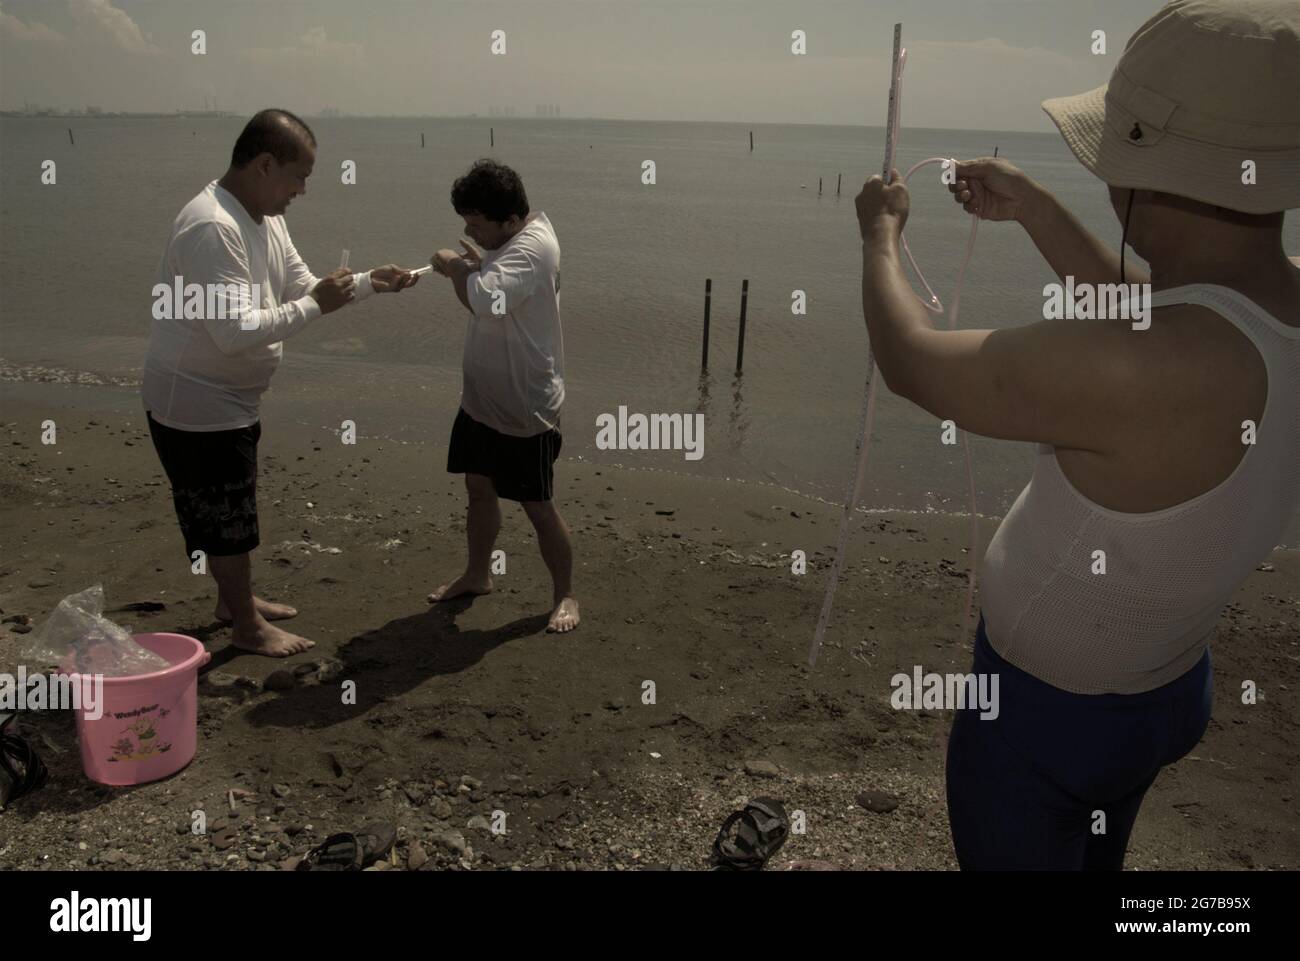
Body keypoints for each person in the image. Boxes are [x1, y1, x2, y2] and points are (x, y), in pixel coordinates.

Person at [853, 0, 1299, 869]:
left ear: (1148, 172)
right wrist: (1039, 213)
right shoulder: (1264, 312)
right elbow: (1163, 314)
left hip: (1050, 716)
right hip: (1167, 684)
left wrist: (879, 237)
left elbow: (910, 360)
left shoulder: (1139, 369)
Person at [143, 108, 420, 657]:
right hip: (195, 401)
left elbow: (302, 284)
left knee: (234, 512)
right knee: (226, 521)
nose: (303, 191)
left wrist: (368, 283)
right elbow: (233, 331)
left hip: (231, 398)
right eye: (300, 176)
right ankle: (246, 626)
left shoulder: (264, 215)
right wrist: (315, 306)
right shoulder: (212, 227)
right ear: (265, 164)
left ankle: (233, 602)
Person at [425, 159, 578, 633]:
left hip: (524, 408)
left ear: (510, 220)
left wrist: (454, 267)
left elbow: (485, 301)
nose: (469, 230)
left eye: (476, 223)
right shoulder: (508, 242)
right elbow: (486, 289)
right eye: (465, 221)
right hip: (482, 401)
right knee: (478, 489)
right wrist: (474, 264)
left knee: (538, 506)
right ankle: (477, 574)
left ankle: (565, 595)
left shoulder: (531, 248)